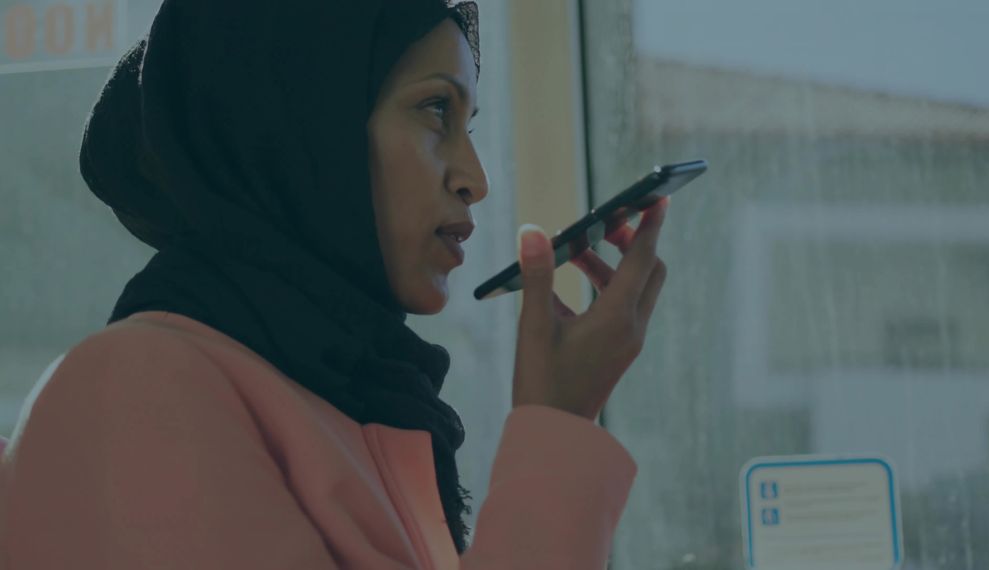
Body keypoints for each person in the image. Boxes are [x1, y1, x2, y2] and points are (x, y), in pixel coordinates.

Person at [0, 0, 670, 567]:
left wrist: (562, 419)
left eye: (466, 124)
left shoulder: (357, 402)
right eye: (436, 109)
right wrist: (555, 425)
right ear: (303, 121)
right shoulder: (135, 388)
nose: (475, 177)